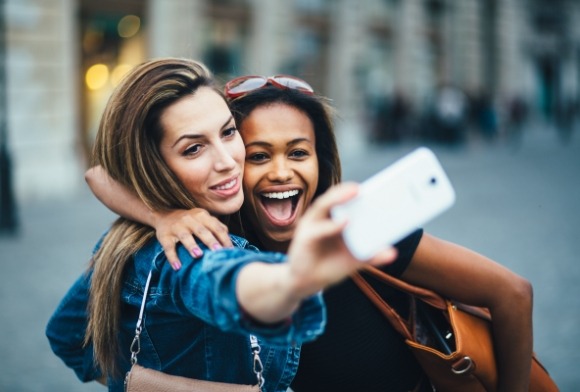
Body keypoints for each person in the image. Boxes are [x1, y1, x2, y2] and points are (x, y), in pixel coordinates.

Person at [84, 74, 532, 391]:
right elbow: (99, 174)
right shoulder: (216, 240)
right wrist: (161, 216)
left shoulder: (360, 229)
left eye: (298, 152)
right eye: (259, 156)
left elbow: (512, 292)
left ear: (322, 161)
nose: (281, 172)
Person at [45, 59, 397, 392]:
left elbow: (66, 336)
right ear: (153, 165)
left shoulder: (124, 237)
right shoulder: (187, 248)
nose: (228, 162)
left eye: (228, 132)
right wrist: (292, 280)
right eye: (194, 149)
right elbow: (223, 282)